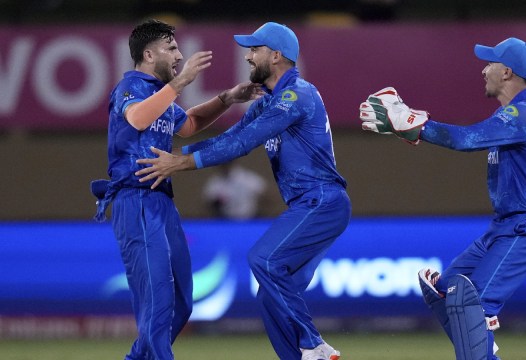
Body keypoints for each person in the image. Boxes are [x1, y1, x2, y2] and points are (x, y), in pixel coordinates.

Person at [135, 22, 350, 360]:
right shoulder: (271, 102)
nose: (248, 57)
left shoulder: (297, 95)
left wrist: (179, 164)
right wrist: (179, 157)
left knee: (262, 259)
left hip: (322, 202)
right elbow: (227, 139)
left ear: (276, 55)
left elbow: (242, 144)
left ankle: (314, 344)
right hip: (309, 205)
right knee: (269, 294)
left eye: (255, 49)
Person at [359, 37, 526, 360]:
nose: (484, 70)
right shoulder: (518, 114)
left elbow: (466, 139)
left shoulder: (525, 113)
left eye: (491, 63)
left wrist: (414, 125)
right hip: (506, 226)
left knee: (471, 302)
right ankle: (481, 345)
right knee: (444, 290)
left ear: (507, 72)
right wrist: (410, 126)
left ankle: (480, 338)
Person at [90, 19, 262, 360]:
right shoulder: (131, 87)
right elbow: (137, 118)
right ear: (149, 54)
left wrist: (227, 98)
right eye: (171, 48)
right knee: (157, 303)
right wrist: (182, 82)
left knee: (181, 303)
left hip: (161, 205)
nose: (179, 55)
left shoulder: (160, 97)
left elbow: (190, 125)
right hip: (135, 201)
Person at [202, 161, 267, 219]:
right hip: (226, 220)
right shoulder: (215, 182)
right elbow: (208, 202)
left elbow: (266, 194)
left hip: (249, 219)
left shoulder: (246, 177)